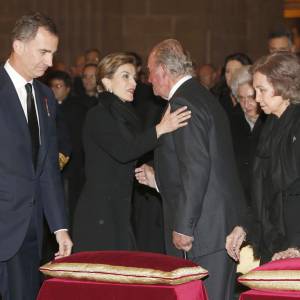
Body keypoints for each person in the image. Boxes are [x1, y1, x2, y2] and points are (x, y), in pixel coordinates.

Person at [135, 39, 246, 300]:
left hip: (204, 231)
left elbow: (196, 168)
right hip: (216, 224)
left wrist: (184, 226)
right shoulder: (199, 94)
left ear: (163, 70)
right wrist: (159, 180)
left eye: (150, 71)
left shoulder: (184, 103)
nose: (149, 79)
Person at [72, 52, 191, 252]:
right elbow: (124, 150)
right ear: (107, 82)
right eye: (125, 76)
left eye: (134, 77)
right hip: (99, 215)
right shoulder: (98, 115)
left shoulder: (123, 115)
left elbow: (129, 150)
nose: (134, 83)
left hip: (118, 210)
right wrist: (161, 128)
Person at [0, 12, 72, 300]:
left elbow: (47, 171)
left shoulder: (45, 97)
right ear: (18, 45)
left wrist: (60, 227)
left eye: (53, 53)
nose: (50, 62)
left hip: (29, 234)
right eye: (44, 51)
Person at [226, 52, 300, 264]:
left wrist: (295, 244)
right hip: (274, 242)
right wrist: (245, 226)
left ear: (284, 86)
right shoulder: (271, 124)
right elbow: (262, 187)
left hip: (293, 247)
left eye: (262, 90)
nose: (257, 99)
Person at [229, 65, 266, 206]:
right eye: (241, 98)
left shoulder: (270, 122)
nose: (246, 104)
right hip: (240, 200)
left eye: (251, 97)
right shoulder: (232, 123)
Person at [212, 53, 252, 118]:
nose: (232, 76)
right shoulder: (218, 98)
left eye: (237, 71)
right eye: (228, 71)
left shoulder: (256, 99)